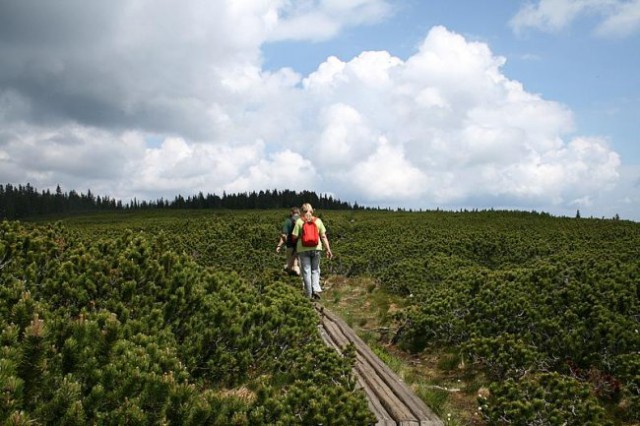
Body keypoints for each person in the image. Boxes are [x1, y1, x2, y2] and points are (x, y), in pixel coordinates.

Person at [291, 203, 333, 299]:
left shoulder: (299, 222)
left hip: (303, 249)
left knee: (306, 272)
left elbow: (294, 236)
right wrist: (328, 249)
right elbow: (323, 236)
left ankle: (309, 295)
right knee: (315, 270)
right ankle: (316, 289)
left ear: (301, 212)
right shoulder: (318, 221)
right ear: (312, 210)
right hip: (316, 248)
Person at [276, 207, 300, 275]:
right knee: (300, 265)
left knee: (290, 265)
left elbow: (284, 235)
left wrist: (279, 245)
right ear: (299, 213)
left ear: (291, 213)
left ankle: (290, 281)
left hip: (290, 247)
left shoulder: (288, 221)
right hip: (303, 246)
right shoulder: (303, 220)